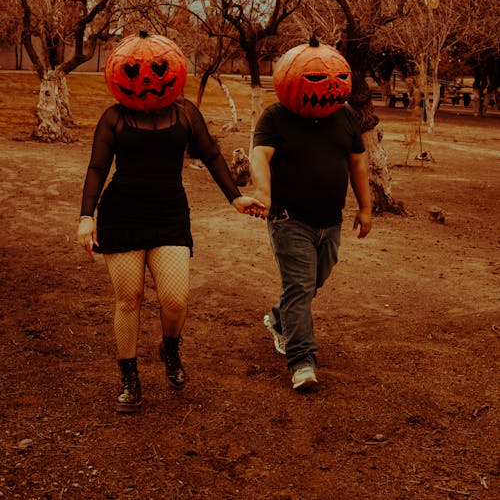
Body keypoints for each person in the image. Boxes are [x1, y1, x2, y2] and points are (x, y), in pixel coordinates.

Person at [77, 33, 263, 413]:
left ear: (173, 71)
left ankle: (171, 347)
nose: (147, 79)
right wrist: (86, 216)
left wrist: (236, 197)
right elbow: (98, 167)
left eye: (158, 70)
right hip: (122, 215)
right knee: (129, 300)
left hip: (169, 213)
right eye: (134, 71)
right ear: (119, 74)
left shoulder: (185, 113)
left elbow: (211, 154)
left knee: (175, 300)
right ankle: (129, 378)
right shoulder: (114, 117)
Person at [250, 39, 372, 392]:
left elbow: (357, 163)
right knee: (300, 286)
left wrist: (365, 208)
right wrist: (262, 193)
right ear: (291, 78)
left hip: (330, 222)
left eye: (336, 77)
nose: (329, 86)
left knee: (312, 282)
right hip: (290, 220)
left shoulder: (345, 116)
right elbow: (260, 156)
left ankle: (278, 318)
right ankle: (302, 360)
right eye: (317, 78)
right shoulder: (275, 117)